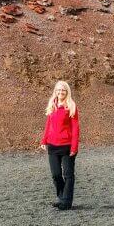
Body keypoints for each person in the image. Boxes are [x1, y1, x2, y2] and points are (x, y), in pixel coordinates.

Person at [39, 80, 80, 211]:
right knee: (56, 175)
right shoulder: (52, 105)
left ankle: (66, 202)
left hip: (67, 146)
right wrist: (43, 140)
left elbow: (75, 128)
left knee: (68, 175)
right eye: (58, 90)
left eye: (63, 90)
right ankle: (61, 197)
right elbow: (48, 125)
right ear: (55, 91)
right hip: (52, 145)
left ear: (67, 92)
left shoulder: (71, 106)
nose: (60, 92)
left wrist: (74, 147)